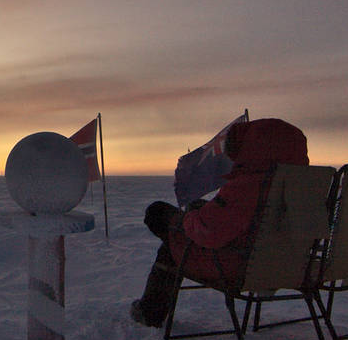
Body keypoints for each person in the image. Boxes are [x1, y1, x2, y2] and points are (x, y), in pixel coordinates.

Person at [130, 117, 310, 328]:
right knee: (194, 212)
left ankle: (151, 312)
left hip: (238, 265)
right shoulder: (306, 185)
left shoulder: (250, 184)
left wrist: (186, 220)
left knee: (159, 217)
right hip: (288, 262)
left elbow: (211, 233)